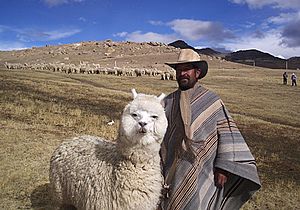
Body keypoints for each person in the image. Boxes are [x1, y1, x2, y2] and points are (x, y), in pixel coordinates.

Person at [159, 49, 261, 210]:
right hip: (170, 168)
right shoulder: (167, 102)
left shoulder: (211, 101)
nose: (182, 74)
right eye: (179, 70)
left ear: (197, 73)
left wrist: (223, 167)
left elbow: (227, 134)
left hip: (202, 169)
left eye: (187, 69)